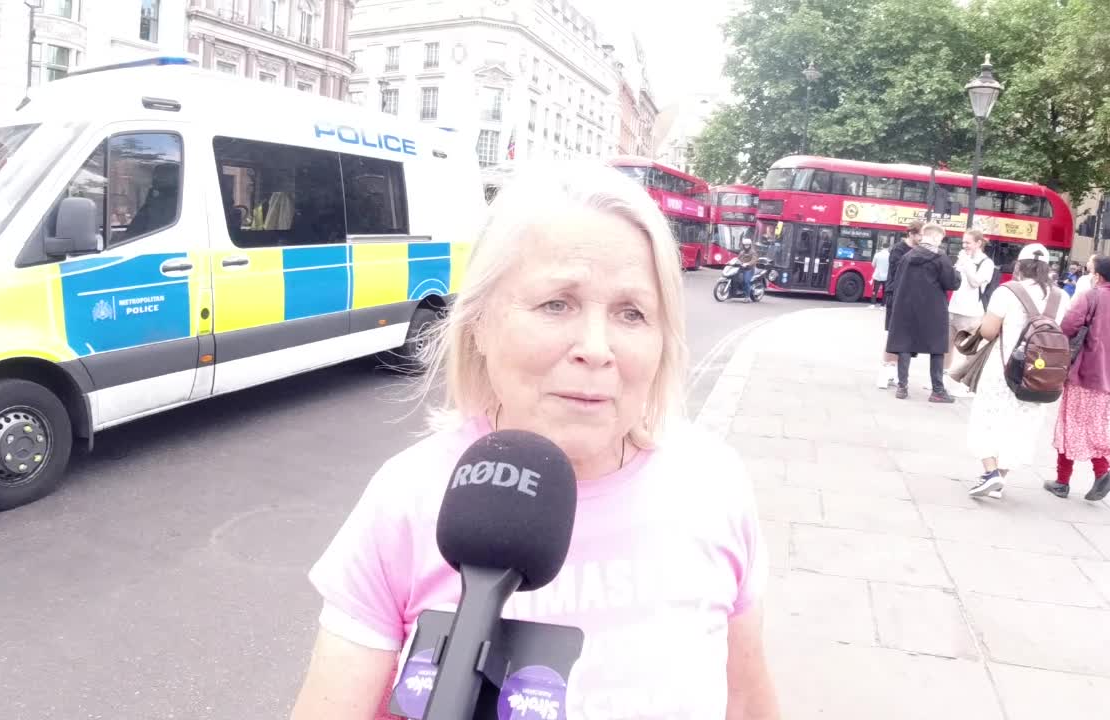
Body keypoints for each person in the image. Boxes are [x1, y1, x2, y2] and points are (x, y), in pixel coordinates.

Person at [289, 161, 780, 720]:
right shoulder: (408, 497)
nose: (596, 348)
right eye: (556, 304)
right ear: (478, 321)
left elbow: (747, 700)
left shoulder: (713, 485)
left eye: (631, 312)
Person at [964, 244, 1070, 499]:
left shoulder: (1007, 292)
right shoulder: (1060, 297)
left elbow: (988, 331)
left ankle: (991, 474)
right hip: (1037, 373)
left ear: (1019, 265)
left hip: (1003, 370)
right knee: (1021, 426)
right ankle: (1000, 476)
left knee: (987, 420)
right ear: (1047, 268)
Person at [1049, 255, 1110, 501]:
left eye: (1090, 272)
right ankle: (1100, 474)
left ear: (1098, 276)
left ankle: (1064, 480)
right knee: (1097, 426)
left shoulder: (1092, 296)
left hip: (1086, 372)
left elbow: (1067, 326)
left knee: (1071, 423)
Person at [885, 223, 961, 402]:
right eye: (941, 239)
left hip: (906, 307)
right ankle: (937, 391)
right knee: (937, 348)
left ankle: (902, 387)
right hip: (933, 310)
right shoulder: (940, 257)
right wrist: (957, 272)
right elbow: (952, 283)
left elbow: (897, 281)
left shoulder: (907, 256)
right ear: (935, 238)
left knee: (904, 344)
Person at [877, 221, 922, 389]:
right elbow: (897, 273)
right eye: (920, 235)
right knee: (893, 336)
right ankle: (884, 372)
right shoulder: (899, 249)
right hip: (896, 296)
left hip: (911, 299)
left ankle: (896, 373)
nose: (922, 238)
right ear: (911, 234)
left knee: (905, 339)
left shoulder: (918, 250)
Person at [945, 229, 995, 377]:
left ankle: (968, 384)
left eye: (968, 242)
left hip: (971, 314)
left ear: (979, 243)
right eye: (963, 242)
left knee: (968, 349)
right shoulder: (964, 259)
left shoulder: (987, 263)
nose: (964, 245)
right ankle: (940, 378)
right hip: (953, 309)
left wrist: (967, 264)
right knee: (946, 347)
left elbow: (975, 283)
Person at [738, 237, 758, 301]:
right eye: (745, 245)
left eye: (748, 245)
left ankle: (747, 296)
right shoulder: (742, 252)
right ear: (743, 245)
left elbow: (754, 260)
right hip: (742, 268)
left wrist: (748, 264)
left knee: (746, 281)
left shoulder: (753, 252)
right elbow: (737, 259)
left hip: (749, 269)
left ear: (750, 245)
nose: (746, 246)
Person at [871, 242, 891, 309]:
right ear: (888, 248)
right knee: (885, 291)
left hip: (878, 275)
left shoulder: (877, 254)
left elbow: (873, 264)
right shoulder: (890, 255)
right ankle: (882, 306)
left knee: (875, 290)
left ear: (882, 247)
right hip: (886, 276)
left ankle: (873, 304)